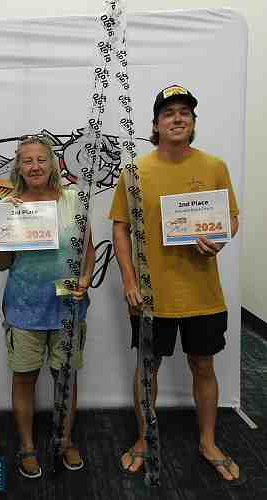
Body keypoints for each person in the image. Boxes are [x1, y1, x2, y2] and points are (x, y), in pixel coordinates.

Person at [109, 85, 242, 483]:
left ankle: (208, 441)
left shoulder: (214, 166)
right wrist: (129, 279)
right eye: (168, 113)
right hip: (151, 296)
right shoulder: (135, 171)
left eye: (185, 112)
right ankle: (144, 439)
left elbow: (231, 217)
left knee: (204, 365)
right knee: (147, 367)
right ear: (156, 125)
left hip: (203, 293)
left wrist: (220, 239)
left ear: (193, 123)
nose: (178, 118)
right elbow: (120, 227)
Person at [0, 136, 95, 479]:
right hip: (24, 306)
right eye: (27, 161)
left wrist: (86, 278)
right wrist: (4, 231)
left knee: (65, 378)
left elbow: (88, 249)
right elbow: (0, 263)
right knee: (24, 378)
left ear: (52, 164)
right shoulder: (9, 205)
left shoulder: (74, 199)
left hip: (67, 305)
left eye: (41, 160)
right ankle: (27, 446)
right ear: (19, 167)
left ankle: (65, 440)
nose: (35, 167)